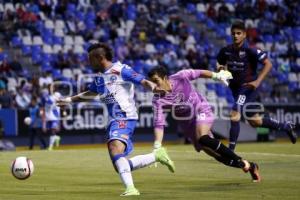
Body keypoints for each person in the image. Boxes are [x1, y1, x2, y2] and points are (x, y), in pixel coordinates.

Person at [57, 43, 175, 196]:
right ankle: (156, 156)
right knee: (119, 164)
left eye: (91, 59)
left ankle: (131, 189)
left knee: (114, 147)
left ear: (100, 58)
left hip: (125, 116)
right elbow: (90, 93)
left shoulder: (121, 70)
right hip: (113, 120)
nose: (88, 62)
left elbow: (143, 81)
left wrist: (154, 88)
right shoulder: (100, 79)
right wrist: (68, 101)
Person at [148, 67, 261, 183]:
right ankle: (251, 166)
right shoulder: (157, 100)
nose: (154, 86)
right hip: (187, 123)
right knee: (217, 155)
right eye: (152, 82)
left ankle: (240, 160)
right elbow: (158, 124)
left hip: (201, 109)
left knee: (202, 138)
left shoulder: (180, 77)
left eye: (156, 81)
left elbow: (199, 73)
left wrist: (216, 76)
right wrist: (157, 145)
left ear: (165, 78)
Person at [216, 19, 297, 151]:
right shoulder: (226, 51)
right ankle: (286, 126)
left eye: (238, 33)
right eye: (233, 33)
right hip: (236, 89)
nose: (235, 35)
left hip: (248, 88)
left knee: (234, 114)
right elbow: (219, 62)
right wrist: (220, 70)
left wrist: (258, 81)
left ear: (244, 34)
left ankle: (230, 151)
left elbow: (268, 64)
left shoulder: (251, 50)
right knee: (255, 121)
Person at [41, 86, 61, 151]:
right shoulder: (49, 98)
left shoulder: (54, 96)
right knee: (51, 132)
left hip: (54, 117)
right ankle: (56, 138)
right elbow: (45, 106)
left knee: (52, 130)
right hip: (48, 117)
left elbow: (50, 101)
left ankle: (50, 147)